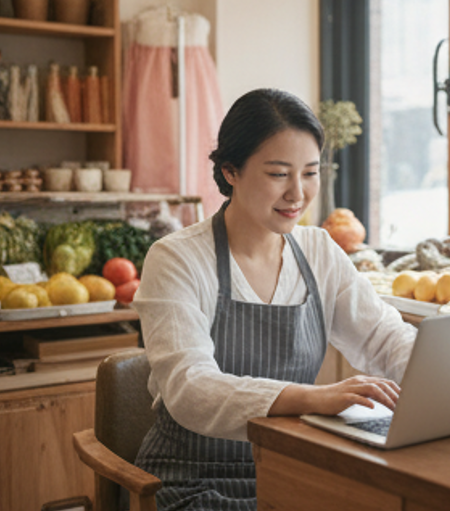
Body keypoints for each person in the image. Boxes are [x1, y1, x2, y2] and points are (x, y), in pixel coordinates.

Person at [132, 88, 416, 510]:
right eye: (278, 174)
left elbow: (383, 337)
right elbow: (191, 390)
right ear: (231, 171)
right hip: (191, 480)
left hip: (292, 467)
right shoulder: (177, 259)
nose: (297, 194)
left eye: (310, 173)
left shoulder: (319, 251)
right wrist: (311, 397)